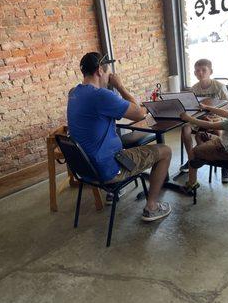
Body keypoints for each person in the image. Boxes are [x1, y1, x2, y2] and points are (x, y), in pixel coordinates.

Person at [67, 52, 172, 222]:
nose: (110, 76)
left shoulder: (74, 93)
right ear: (100, 70)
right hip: (106, 169)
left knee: (123, 143)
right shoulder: (101, 96)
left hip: (85, 169)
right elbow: (138, 114)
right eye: (108, 72)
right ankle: (151, 207)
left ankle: (112, 191)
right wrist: (120, 86)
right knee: (165, 151)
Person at [180, 58, 228, 183]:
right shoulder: (194, 88)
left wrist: (214, 113)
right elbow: (191, 107)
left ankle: (225, 165)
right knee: (185, 128)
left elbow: (227, 104)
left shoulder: (219, 86)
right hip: (199, 117)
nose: (200, 73)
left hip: (216, 116)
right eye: (197, 71)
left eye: (204, 70)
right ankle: (191, 158)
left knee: (218, 130)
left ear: (210, 71)